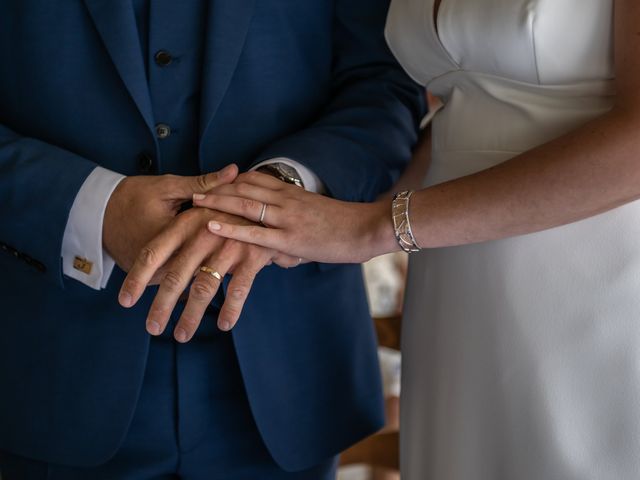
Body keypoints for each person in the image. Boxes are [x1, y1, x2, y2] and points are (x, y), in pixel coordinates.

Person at [194, 0, 640, 478]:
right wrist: (310, 216)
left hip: (586, 279)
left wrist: (372, 229)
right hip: (453, 283)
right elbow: (463, 113)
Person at [0, 1, 423, 479]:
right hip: (44, 365)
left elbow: (383, 82)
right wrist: (94, 207)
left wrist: (283, 193)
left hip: (289, 368)